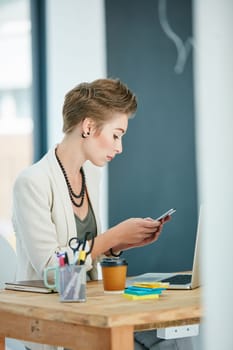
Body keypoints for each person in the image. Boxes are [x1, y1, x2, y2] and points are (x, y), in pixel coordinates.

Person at [12, 78, 194, 350]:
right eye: (116, 135)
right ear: (88, 127)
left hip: (91, 309)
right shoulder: (32, 182)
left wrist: (119, 244)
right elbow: (52, 270)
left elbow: (89, 251)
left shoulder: (90, 176)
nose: (119, 148)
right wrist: (111, 238)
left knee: (168, 337)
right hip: (55, 323)